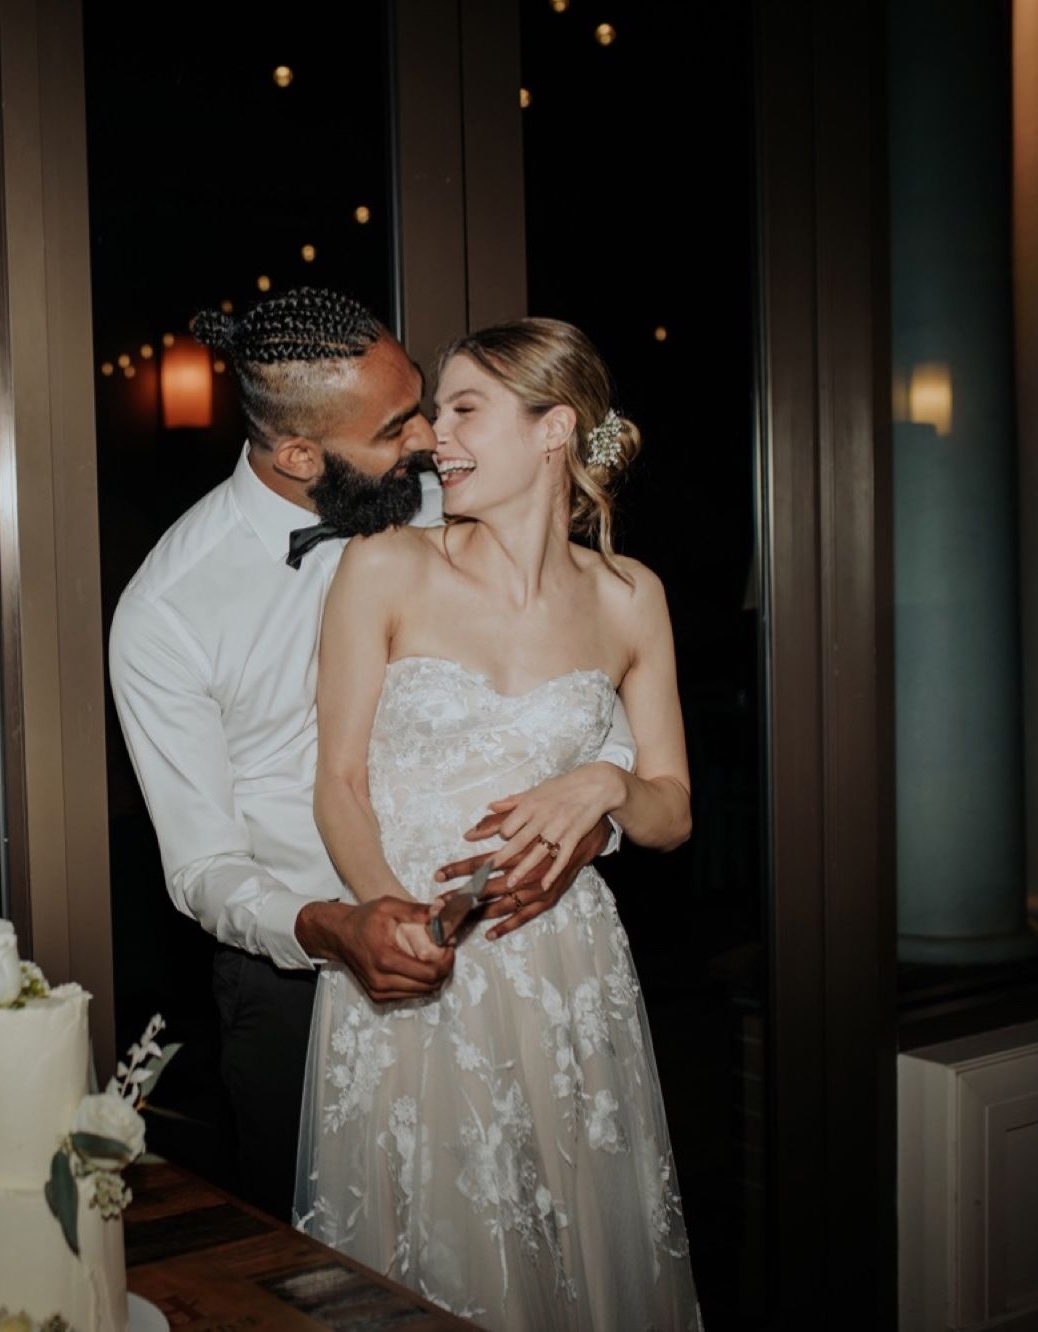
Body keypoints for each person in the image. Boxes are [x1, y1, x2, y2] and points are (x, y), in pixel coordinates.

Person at [107, 289, 633, 1218]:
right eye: (400, 426)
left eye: (426, 403)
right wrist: (332, 926)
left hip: (507, 955)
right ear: (300, 454)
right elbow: (203, 867)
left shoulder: (451, 494)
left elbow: (590, 690)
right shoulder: (169, 613)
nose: (433, 437)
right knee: (326, 1268)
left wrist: (588, 828)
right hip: (303, 982)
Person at [297, 318, 702, 1328]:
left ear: (553, 428)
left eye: (464, 408)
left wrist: (604, 790)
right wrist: (390, 922)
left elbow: (670, 809)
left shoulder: (628, 596)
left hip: (563, 974)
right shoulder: (385, 566)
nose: (435, 435)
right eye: (438, 412)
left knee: (572, 1256)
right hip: (414, 959)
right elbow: (337, 784)